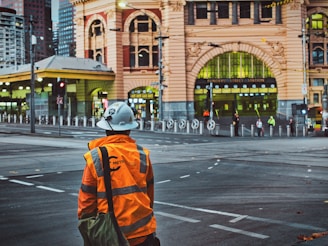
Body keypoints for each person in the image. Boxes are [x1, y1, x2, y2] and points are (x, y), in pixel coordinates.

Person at [78, 101, 158, 246]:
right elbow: (149, 195)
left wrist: (89, 228)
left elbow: (86, 203)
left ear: (106, 129)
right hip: (143, 234)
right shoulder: (142, 154)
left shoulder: (97, 157)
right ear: (129, 129)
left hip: (110, 235)